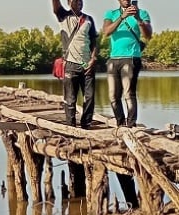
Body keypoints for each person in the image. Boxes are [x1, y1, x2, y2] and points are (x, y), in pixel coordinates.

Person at [103, 0, 152, 128]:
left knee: (128, 94)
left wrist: (138, 19)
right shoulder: (111, 14)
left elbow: (148, 35)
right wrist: (122, 17)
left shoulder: (142, 13)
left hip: (131, 58)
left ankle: (130, 126)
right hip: (113, 59)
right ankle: (120, 124)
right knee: (113, 96)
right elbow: (107, 31)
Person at [52, 0, 98, 129]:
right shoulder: (63, 16)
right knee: (70, 99)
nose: (78, 3)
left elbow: (94, 41)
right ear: (69, 2)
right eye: (75, 0)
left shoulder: (89, 19)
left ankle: (86, 125)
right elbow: (56, 7)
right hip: (70, 64)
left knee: (89, 97)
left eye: (80, 1)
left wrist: (93, 59)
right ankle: (70, 126)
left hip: (87, 64)